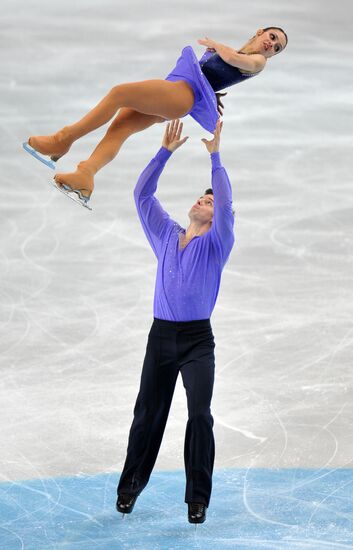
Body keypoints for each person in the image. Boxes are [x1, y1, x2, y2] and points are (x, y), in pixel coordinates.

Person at [115, 118, 234, 524]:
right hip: (161, 337)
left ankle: (197, 499)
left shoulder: (217, 244)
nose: (204, 200)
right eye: (201, 197)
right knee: (148, 412)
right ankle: (129, 489)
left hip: (198, 341)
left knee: (200, 414)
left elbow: (227, 204)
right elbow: (142, 194)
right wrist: (164, 152)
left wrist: (215, 157)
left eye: (210, 200)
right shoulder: (166, 235)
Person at [23, 27, 287, 209]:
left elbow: (231, 58)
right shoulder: (245, 54)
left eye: (277, 47)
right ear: (260, 31)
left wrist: (216, 45)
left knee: (119, 93)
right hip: (178, 90)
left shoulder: (257, 62)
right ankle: (85, 175)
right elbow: (219, 70)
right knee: (120, 128)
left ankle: (62, 140)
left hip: (182, 94)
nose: (271, 44)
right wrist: (213, 92)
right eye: (273, 37)